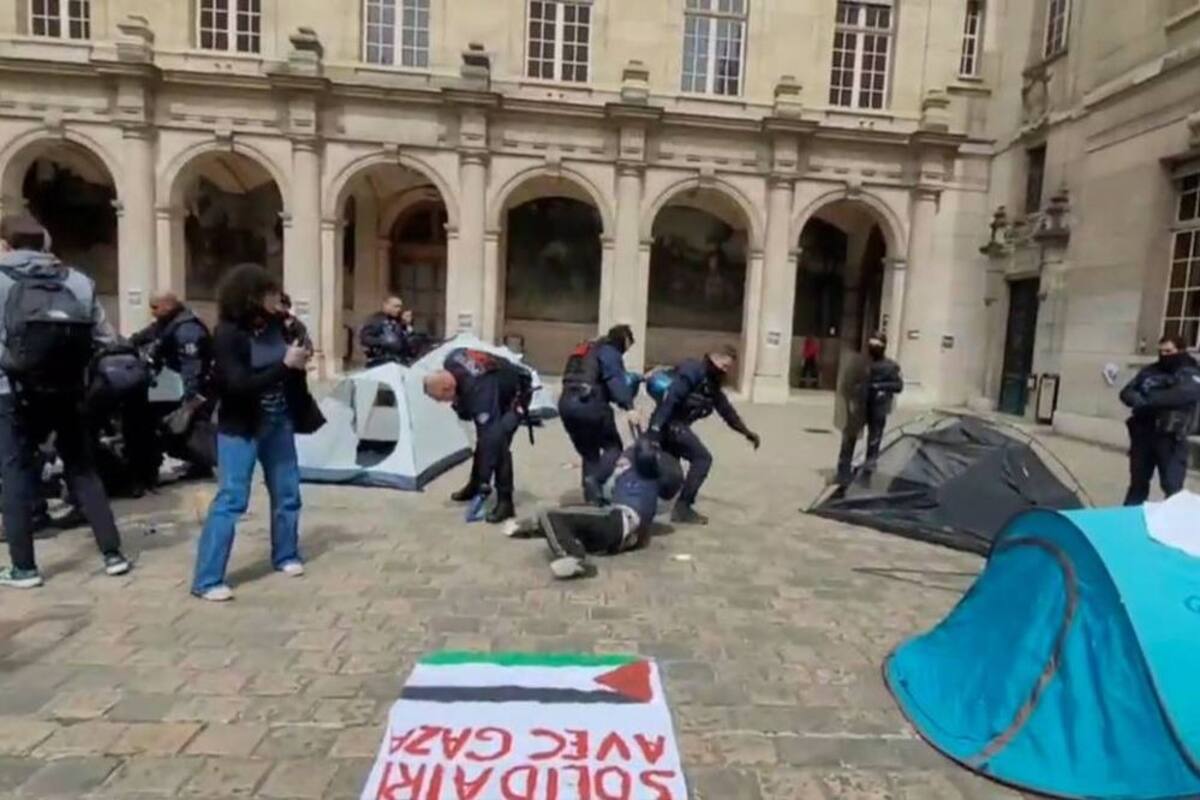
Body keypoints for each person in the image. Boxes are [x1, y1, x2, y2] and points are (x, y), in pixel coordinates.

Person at [0, 213, 130, 587]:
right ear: (45, 244)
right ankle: (112, 554)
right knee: (82, 467)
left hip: (12, 390)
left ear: (6, 245)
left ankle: (24, 568)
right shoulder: (76, 280)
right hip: (69, 389)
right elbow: (106, 339)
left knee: (15, 474)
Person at [191, 263, 324, 602]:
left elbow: (295, 365)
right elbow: (237, 385)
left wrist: (299, 349)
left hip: (279, 422)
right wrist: (283, 366)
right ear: (251, 296)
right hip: (243, 425)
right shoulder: (228, 334)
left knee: (288, 491)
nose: (276, 297)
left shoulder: (279, 326)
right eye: (269, 292)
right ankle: (207, 579)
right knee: (232, 499)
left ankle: (286, 554)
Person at [503, 435, 684, 579]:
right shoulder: (637, 469)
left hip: (619, 520)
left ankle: (573, 557)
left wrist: (645, 452)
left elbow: (654, 464)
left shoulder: (649, 472)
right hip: (617, 530)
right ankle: (533, 526)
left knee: (549, 513)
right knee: (567, 516)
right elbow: (596, 480)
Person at [647, 346, 761, 525]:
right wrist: (654, 429)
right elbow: (672, 399)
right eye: (724, 366)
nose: (725, 371)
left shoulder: (711, 383)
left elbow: (726, 411)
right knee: (702, 459)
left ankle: (649, 502)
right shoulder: (693, 371)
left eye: (727, 368)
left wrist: (746, 432)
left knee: (671, 475)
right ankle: (683, 508)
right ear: (714, 358)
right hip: (669, 425)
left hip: (675, 426)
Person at [423, 348, 533, 524]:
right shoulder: (451, 359)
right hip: (498, 385)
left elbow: (490, 435)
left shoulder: (479, 389)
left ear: (447, 387)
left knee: (498, 443)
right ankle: (474, 485)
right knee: (485, 440)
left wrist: (485, 484)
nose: (444, 403)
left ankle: (506, 502)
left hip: (517, 394)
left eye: (442, 399)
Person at [129, 292, 214, 487]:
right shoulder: (169, 323)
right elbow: (145, 335)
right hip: (177, 386)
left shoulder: (187, 330)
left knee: (183, 429)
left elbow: (192, 369)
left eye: (155, 307)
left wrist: (189, 402)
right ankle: (199, 464)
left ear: (168, 305)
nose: (152, 312)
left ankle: (202, 463)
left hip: (194, 391)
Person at [558, 324, 638, 505]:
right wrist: (629, 406)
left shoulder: (583, 350)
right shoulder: (609, 352)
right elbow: (615, 380)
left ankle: (592, 499)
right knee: (613, 447)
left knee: (589, 453)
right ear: (624, 341)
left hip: (566, 404)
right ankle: (595, 481)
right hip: (590, 404)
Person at [1120, 335, 1200, 505]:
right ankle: (1127, 523)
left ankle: (1174, 527)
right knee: (1137, 485)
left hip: (1171, 438)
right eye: (1161, 351)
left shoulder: (1191, 372)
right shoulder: (1150, 371)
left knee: (1172, 488)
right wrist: (1140, 399)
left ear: (1181, 350)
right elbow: (1126, 392)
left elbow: (1181, 395)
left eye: (1169, 351)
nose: (1164, 355)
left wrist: (1147, 399)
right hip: (1143, 436)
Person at [835, 332, 903, 487]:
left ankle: (867, 475)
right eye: (872, 344)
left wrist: (878, 387)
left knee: (874, 442)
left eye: (877, 345)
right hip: (859, 406)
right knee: (849, 439)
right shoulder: (858, 363)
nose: (873, 347)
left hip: (877, 408)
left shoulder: (890, 366)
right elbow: (846, 384)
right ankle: (843, 472)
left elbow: (898, 386)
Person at [360, 296, 409, 366]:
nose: (399, 309)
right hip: (380, 362)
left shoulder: (397, 321)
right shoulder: (376, 319)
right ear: (386, 305)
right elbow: (365, 338)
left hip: (397, 362)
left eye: (400, 307)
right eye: (396, 306)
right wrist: (383, 341)